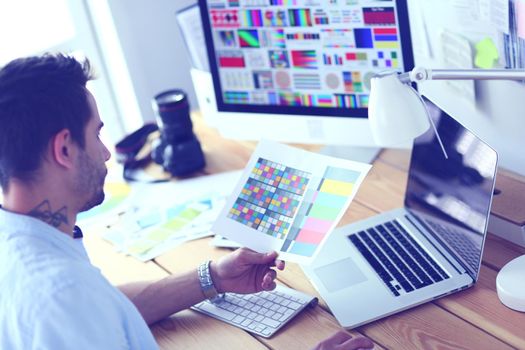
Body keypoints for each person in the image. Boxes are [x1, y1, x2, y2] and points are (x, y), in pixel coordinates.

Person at [0, 53, 374, 350]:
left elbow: (104, 310)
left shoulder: (26, 245)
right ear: (64, 148)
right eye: (96, 134)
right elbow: (79, 307)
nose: (106, 153)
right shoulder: (61, 295)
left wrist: (212, 278)